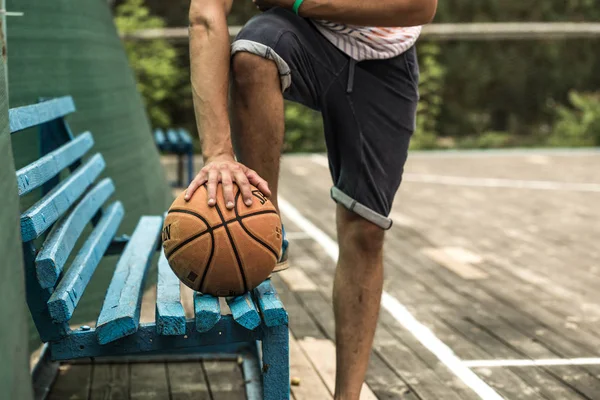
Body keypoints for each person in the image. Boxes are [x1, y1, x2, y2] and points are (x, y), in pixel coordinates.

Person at [185, 0, 437, 398]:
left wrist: (296, 1)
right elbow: (205, 14)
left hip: (383, 53)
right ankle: (261, 223)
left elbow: (419, 7)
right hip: (301, 37)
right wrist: (218, 152)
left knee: (366, 232)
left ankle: (347, 397)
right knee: (255, 50)